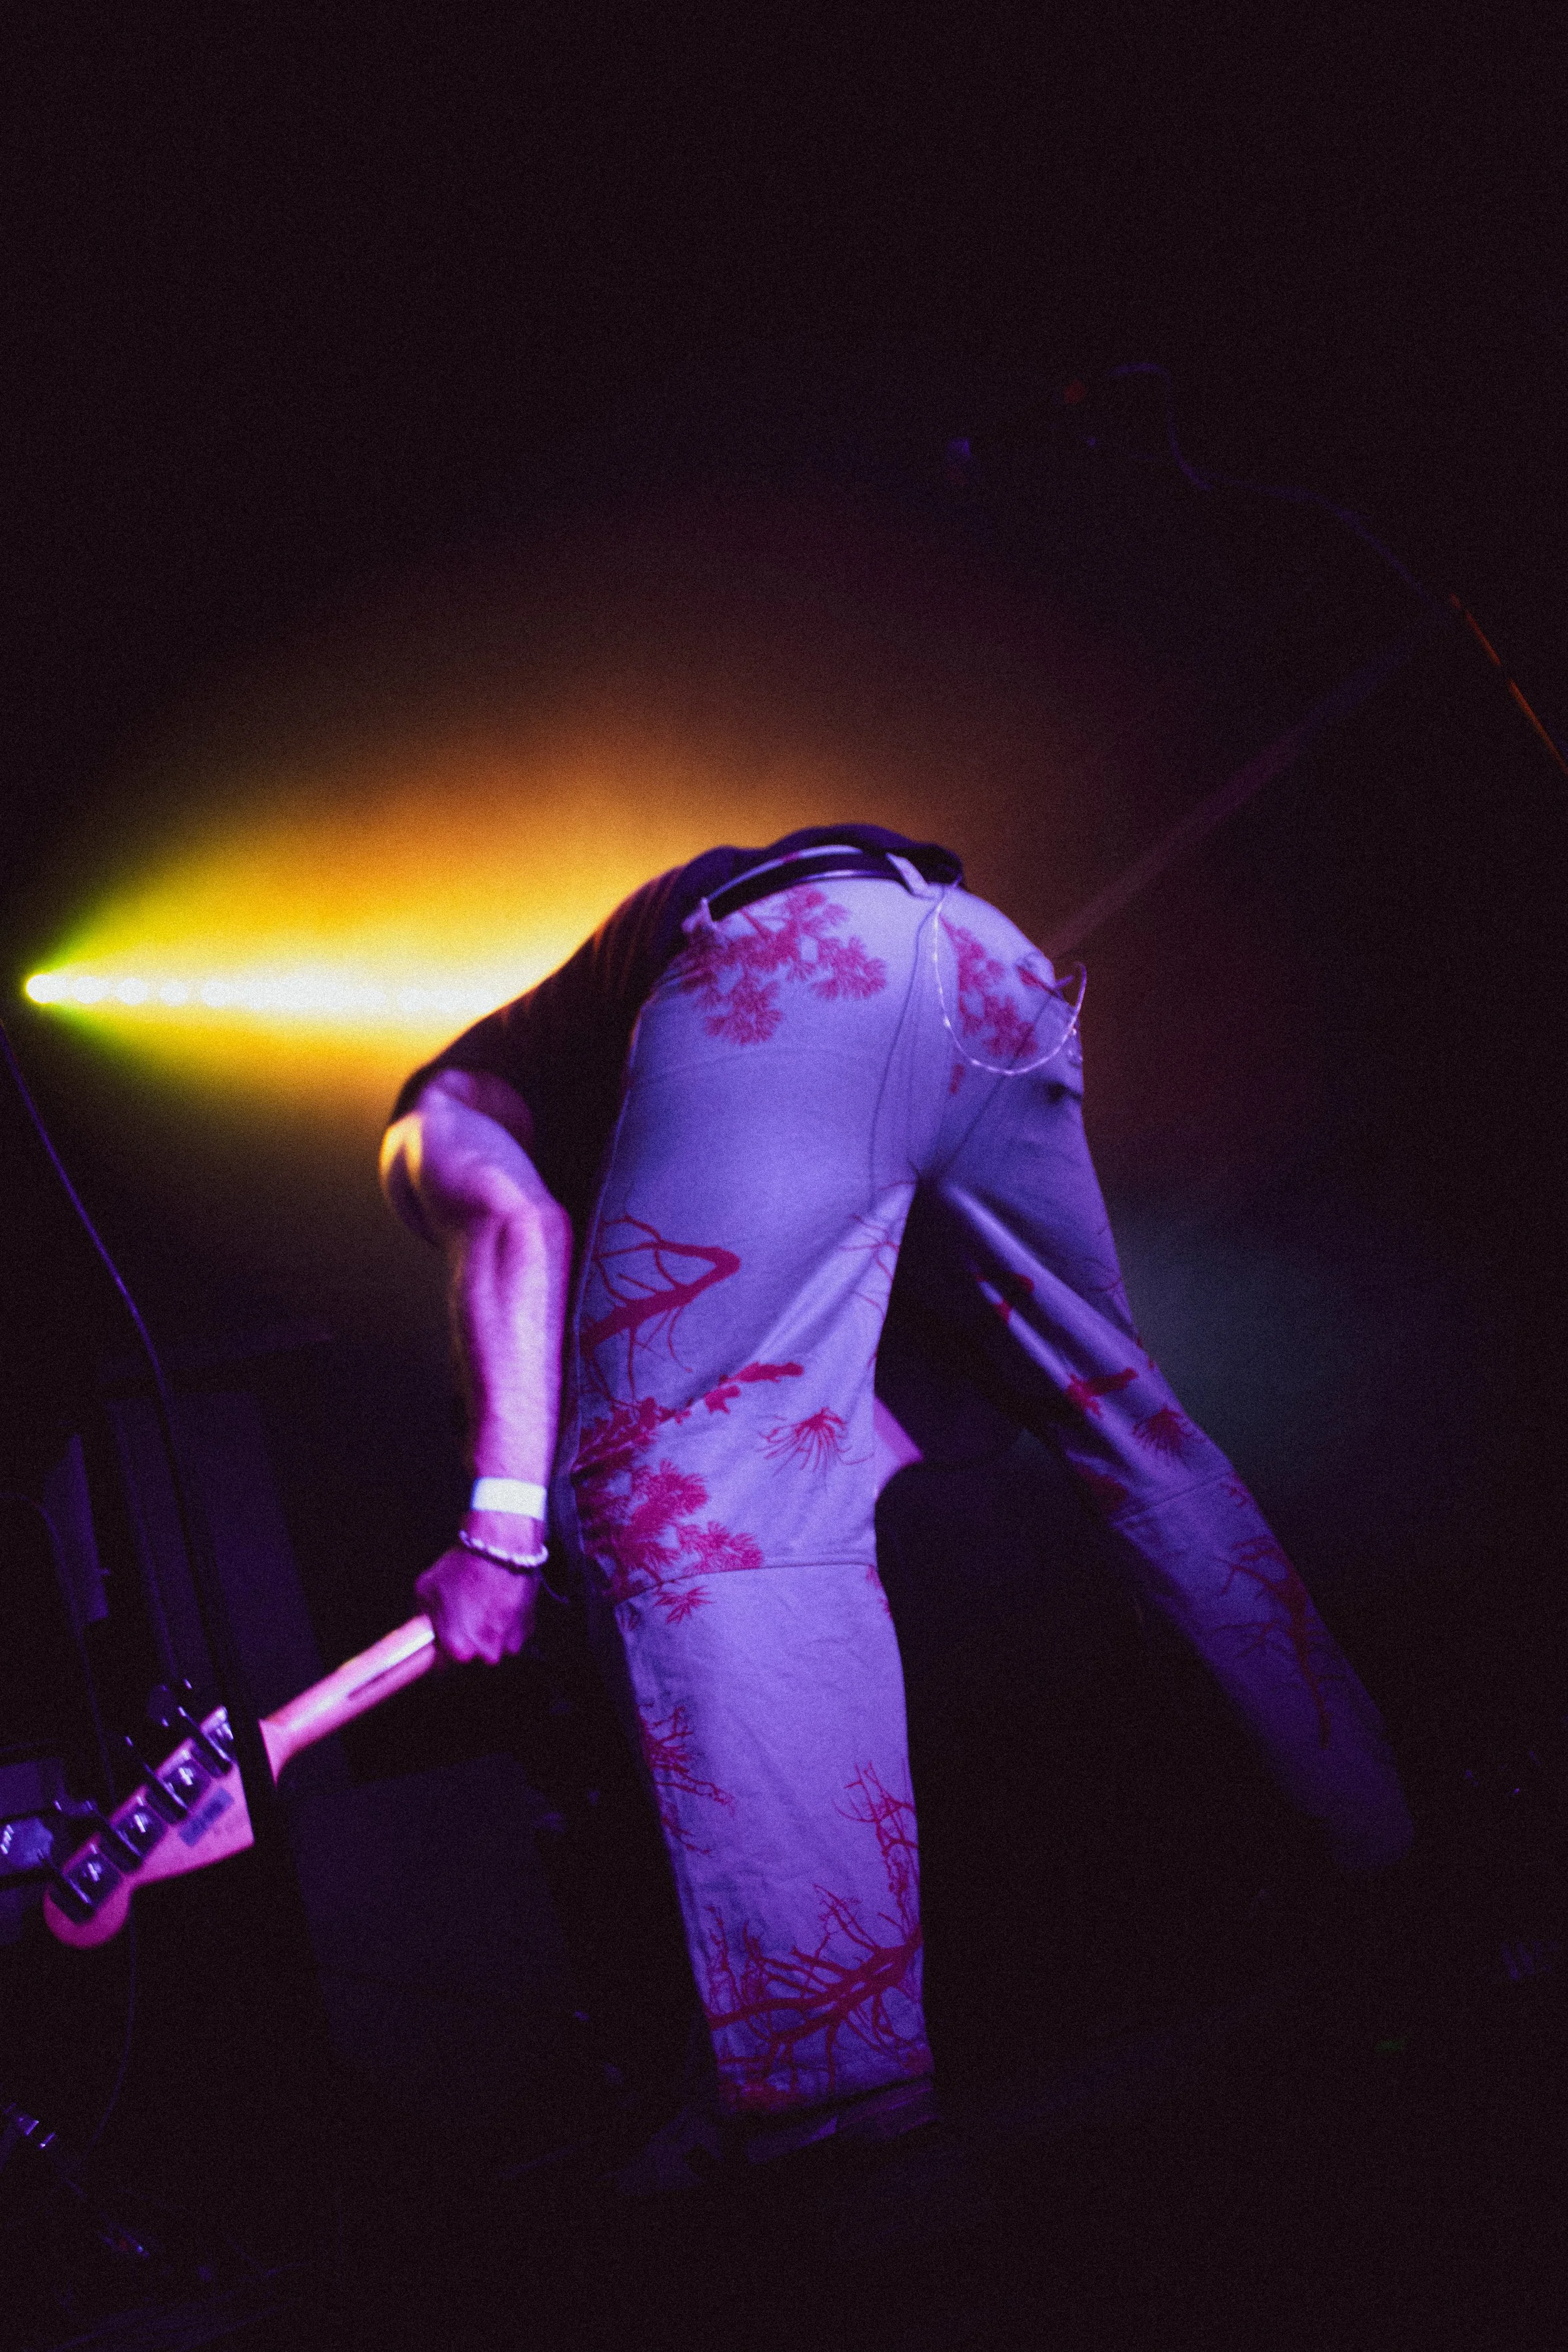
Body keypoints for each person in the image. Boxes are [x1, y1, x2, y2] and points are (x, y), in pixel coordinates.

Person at [379, 824, 1414, 2181]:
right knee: (1123, 1424)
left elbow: (516, 1232)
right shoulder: (671, 1097)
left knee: (666, 1493)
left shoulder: (440, 1110)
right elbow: (908, 1385)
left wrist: (498, 1532)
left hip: (783, 966)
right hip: (980, 964)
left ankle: (830, 2087)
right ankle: (1381, 1846)